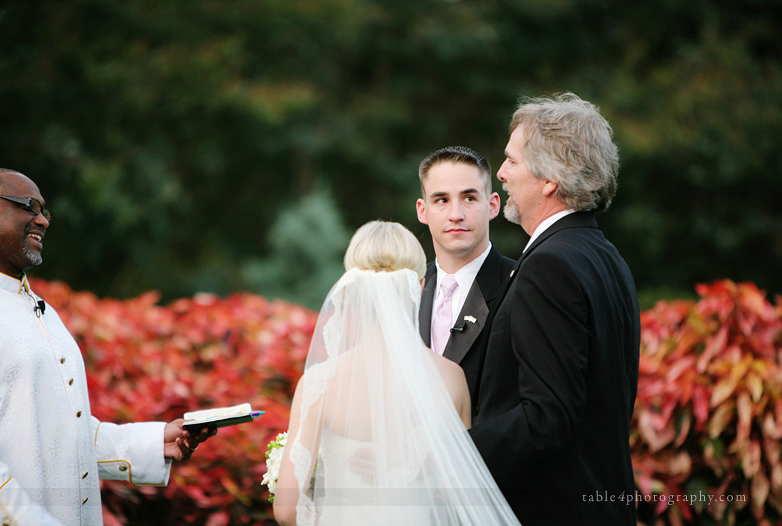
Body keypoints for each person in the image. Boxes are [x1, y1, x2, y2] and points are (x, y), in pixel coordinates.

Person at [0, 167, 215, 526]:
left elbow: (62, 432)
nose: (42, 221)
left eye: (44, 210)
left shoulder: (43, 312)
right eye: (29, 206)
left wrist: (156, 442)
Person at [272, 221, 520, 526]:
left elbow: (286, 510)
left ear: (351, 288)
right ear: (418, 285)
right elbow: (461, 494)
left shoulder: (319, 384)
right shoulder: (451, 379)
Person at [468, 94, 641, 525]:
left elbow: (547, 417)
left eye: (511, 161)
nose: (501, 174)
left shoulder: (550, 265)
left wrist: (448, 451)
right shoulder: (605, 256)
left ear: (550, 180)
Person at [415, 146, 515, 410]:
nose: (456, 214)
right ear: (422, 210)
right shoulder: (406, 290)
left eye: (469, 198)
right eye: (441, 200)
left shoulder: (522, 284)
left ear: (493, 205)